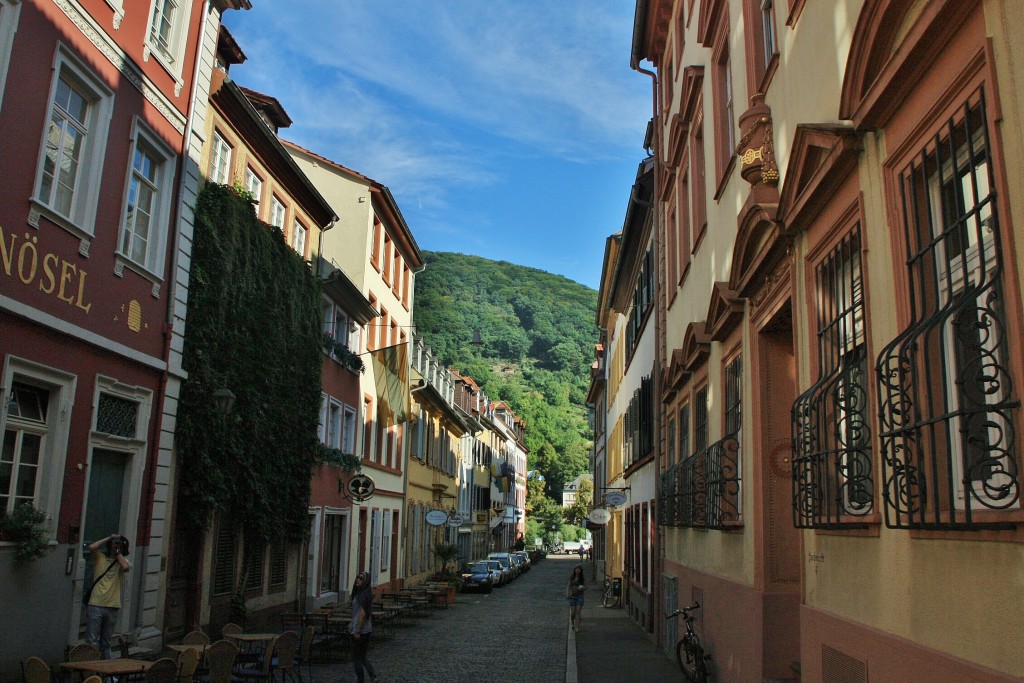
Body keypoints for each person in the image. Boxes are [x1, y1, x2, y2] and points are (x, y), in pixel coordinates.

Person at [85, 532, 131, 658]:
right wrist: (109, 538)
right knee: (91, 640)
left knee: (106, 642)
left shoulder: (122, 561)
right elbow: (91, 547)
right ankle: (90, 667)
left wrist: (118, 552)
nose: (115, 546)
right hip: (96, 603)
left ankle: (106, 668)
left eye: (119, 544)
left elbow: (125, 567)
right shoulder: (100, 558)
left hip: (112, 605)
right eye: (114, 544)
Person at [349, 571, 380, 683]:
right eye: (358, 577)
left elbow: (362, 615)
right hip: (366, 629)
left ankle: (360, 680)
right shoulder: (364, 593)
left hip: (360, 631)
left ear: (365, 581)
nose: (358, 579)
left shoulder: (363, 595)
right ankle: (373, 676)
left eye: (361, 578)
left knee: (357, 657)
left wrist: (357, 631)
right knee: (362, 656)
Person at [566, 564, 586, 633]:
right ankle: (572, 623)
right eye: (576, 569)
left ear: (581, 571)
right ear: (574, 570)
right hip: (572, 597)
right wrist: (568, 594)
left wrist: (581, 588)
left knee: (578, 612)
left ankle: (577, 627)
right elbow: (568, 586)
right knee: (573, 613)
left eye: (579, 569)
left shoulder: (582, 578)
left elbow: (585, 587)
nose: (577, 570)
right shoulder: (571, 578)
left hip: (580, 596)